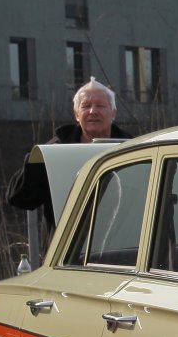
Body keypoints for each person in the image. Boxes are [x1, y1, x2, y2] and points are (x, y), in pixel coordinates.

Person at [7, 78, 128, 227]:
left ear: (113, 113)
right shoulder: (57, 151)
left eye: (100, 106)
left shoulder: (133, 148)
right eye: (86, 106)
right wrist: (38, 160)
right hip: (70, 240)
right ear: (77, 114)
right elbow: (20, 198)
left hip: (123, 238)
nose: (93, 111)